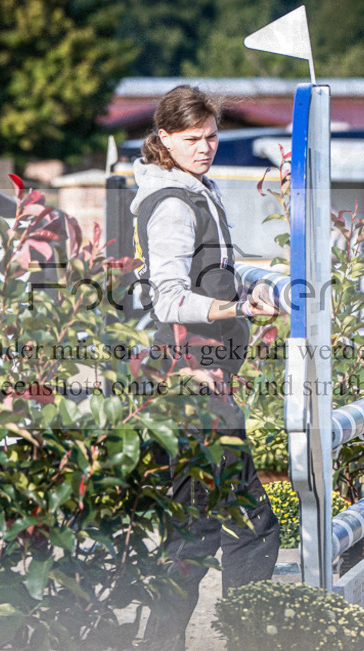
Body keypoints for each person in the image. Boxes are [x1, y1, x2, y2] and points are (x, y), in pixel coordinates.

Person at [130, 85, 282, 649]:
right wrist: (239, 308)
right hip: (193, 383)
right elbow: (169, 299)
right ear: (164, 138)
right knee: (250, 527)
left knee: (192, 534)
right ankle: (247, 641)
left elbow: (210, 276)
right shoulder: (174, 203)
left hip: (198, 380)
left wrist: (247, 286)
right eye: (193, 138)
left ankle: (162, 642)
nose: (206, 147)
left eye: (212, 136)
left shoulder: (197, 189)